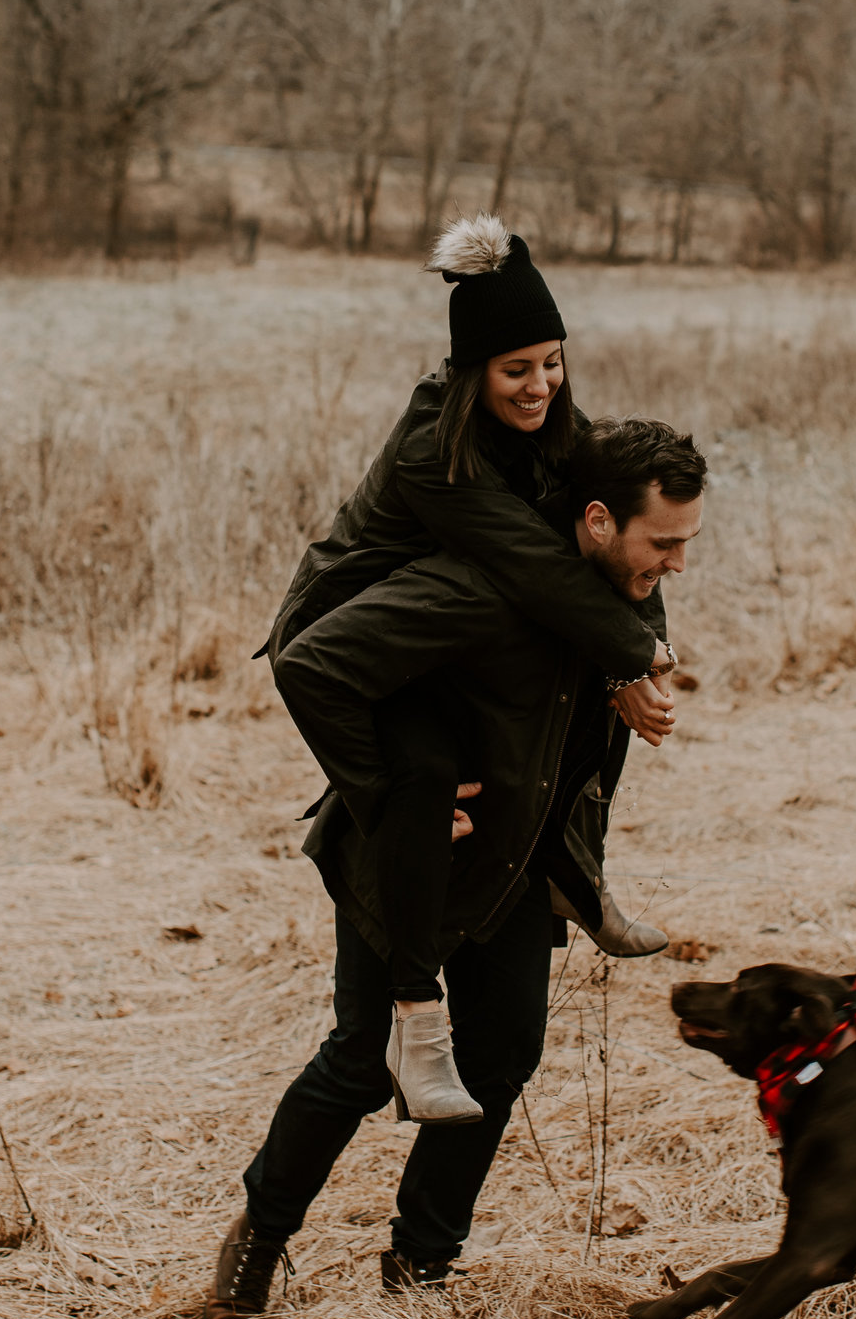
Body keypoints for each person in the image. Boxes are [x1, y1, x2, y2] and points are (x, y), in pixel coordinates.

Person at [203, 418, 709, 1319]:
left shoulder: (618, 597)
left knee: (500, 1053)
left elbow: (636, 611)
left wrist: (629, 660)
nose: (675, 564)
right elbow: (314, 663)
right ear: (596, 521)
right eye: (662, 544)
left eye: (685, 543)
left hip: (514, 864)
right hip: (405, 859)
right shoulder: (478, 588)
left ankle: (422, 1263)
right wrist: (393, 794)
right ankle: (260, 1236)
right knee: (363, 1060)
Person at [260, 217, 675, 1124]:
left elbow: (614, 534)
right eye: (516, 367)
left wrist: (641, 654)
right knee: (419, 776)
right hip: (363, 641)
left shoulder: (564, 433)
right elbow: (537, 565)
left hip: (446, 633)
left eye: (552, 361)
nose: (540, 385)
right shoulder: (431, 452)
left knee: (579, 690)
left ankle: (575, 866)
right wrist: (633, 650)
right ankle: (416, 1020)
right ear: (473, 371)